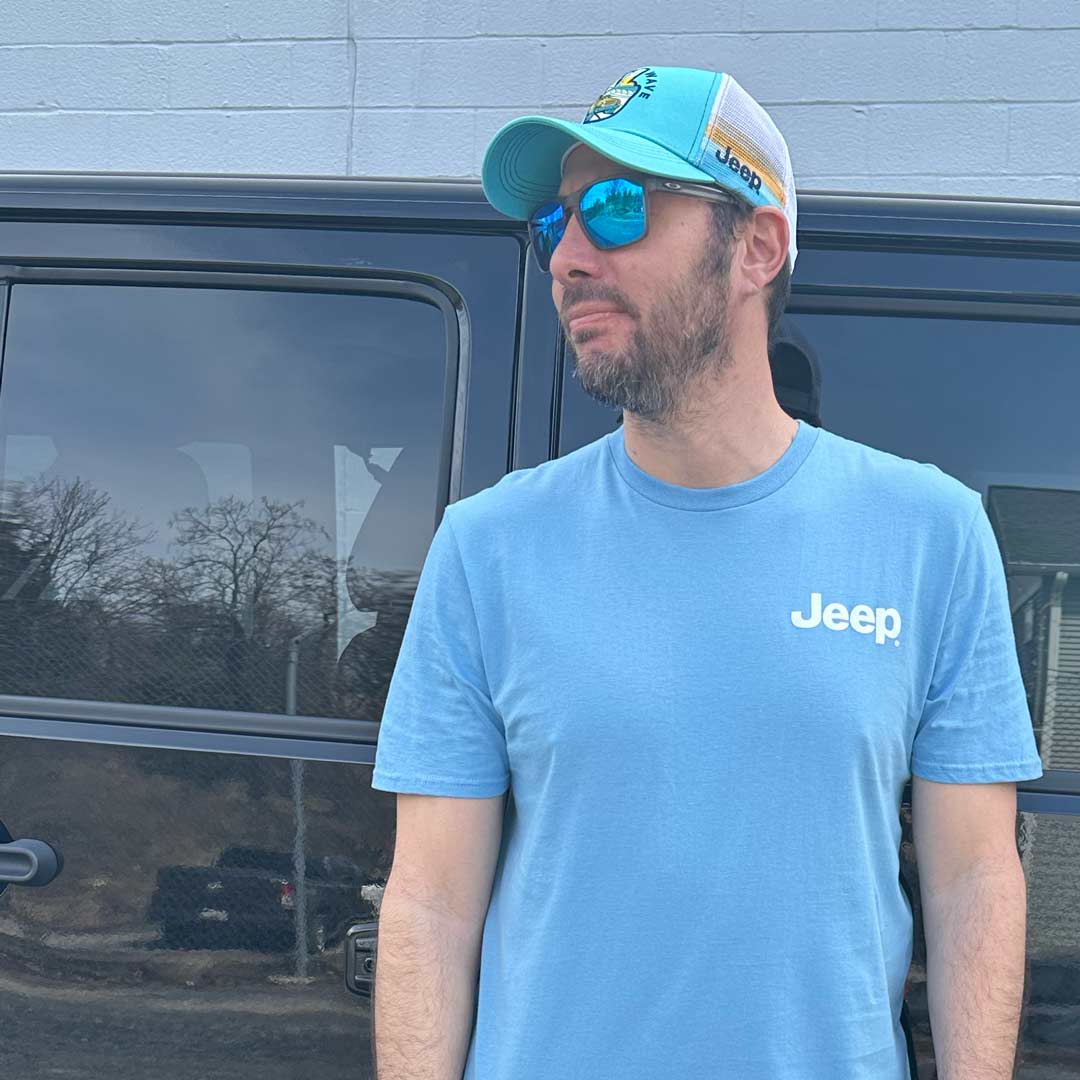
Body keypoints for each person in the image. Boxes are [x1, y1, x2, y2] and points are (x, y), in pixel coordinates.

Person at [369, 65, 1043, 1080]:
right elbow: (429, 901)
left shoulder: (930, 535)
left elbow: (972, 882)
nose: (569, 259)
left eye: (617, 209)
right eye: (558, 227)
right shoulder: (487, 546)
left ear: (757, 247)